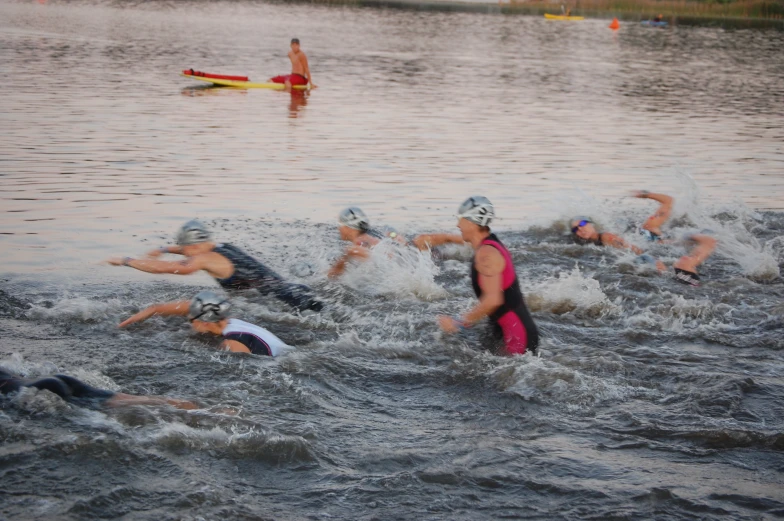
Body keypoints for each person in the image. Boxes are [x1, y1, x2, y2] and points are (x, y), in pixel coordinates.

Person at [106, 220, 323, 312]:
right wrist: (165, 249)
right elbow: (191, 250)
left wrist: (127, 261)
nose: (187, 254)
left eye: (186, 249)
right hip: (296, 292)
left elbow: (168, 268)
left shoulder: (203, 258)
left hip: (292, 304)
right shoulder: (222, 247)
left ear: (195, 246)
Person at [438, 196, 539, 356]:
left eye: (460, 219)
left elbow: (493, 300)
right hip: (503, 329)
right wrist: (441, 238)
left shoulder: (486, 254)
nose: (458, 225)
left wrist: (458, 322)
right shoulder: (491, 244)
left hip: (515, 336)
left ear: (471, 223)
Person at [119, 291, 291, 357]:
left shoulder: (233, 342)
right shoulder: (223, 317)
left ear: (205, 322)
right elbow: (156, 308)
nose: (189, 322)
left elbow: (248, 371)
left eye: (191, 320)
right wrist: (124, 324)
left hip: (285, 361)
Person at [328, 207, 466, 279]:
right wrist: (398, 240)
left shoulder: (359, 243)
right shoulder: (379, 231)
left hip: (399, 265)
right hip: (411, 256)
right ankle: (468, 241)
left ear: (347, 227)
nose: (339, 229)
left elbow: (331, 276)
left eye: (340, 225)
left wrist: (343, 259)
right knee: (424, 239)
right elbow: (393, 234)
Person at [0, 367, 198, 410]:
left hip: (43, 389)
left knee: (105, 408)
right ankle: (188, 407)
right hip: (54, 378)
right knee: (131, 399)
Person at [570, 191, 674, 253]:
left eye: (582, 224)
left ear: (591, 224)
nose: (580, 229)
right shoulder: (591, 243)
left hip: (652, 239)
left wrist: (644, 194)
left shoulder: (606, 237)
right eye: (575, 229)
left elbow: (637, 251)